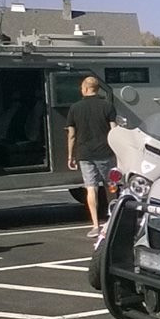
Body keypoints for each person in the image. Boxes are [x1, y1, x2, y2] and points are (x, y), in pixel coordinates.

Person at [66, 76, 116, 238]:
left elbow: (72, 135)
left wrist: (70, 156)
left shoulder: (75, 108)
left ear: (86, 89)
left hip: (84, 153)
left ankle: (95, 225)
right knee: (111, 186)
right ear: (97, 89)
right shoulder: (107, 106)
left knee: (91, 188)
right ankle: (113, 220)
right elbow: (114, 131)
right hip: (105, 152)